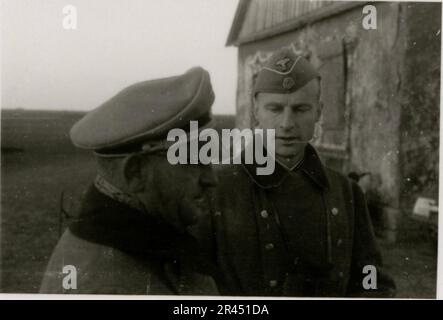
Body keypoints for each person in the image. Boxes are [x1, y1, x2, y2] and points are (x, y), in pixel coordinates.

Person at [207, 48, 396, 297]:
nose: (287, 124)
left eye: (300, 109)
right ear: (256, 112)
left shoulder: (345, 192)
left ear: (319, 111)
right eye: (275, 109)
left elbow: (372, 280)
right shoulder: (216, 190)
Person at [40, 67, 221, 295]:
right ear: (135, 173)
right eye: (194, 161)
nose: (211, 179)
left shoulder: (147, 243)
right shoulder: (103, 286)